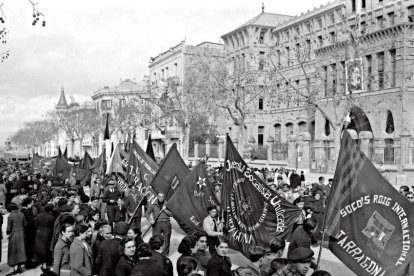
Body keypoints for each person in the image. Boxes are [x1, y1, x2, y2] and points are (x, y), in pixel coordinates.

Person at [6, 202, 26, 276]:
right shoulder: (22, 214)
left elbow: (9, 228)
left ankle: (13, 269)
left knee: (13, 252)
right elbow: (25, 224)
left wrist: (8, 233)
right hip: (22, 234)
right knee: (21, 251)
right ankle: (19, 268)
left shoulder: (11, 216)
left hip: (14, 234)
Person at [33, 203, 55, 269]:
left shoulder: (39, 216)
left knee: (40, 249)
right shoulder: (51, 217)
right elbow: (52, 227)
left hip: (39, 233)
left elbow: (35, 225)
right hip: (48, 234)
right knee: (47, 249)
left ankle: (42, 263)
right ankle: (46, 263)